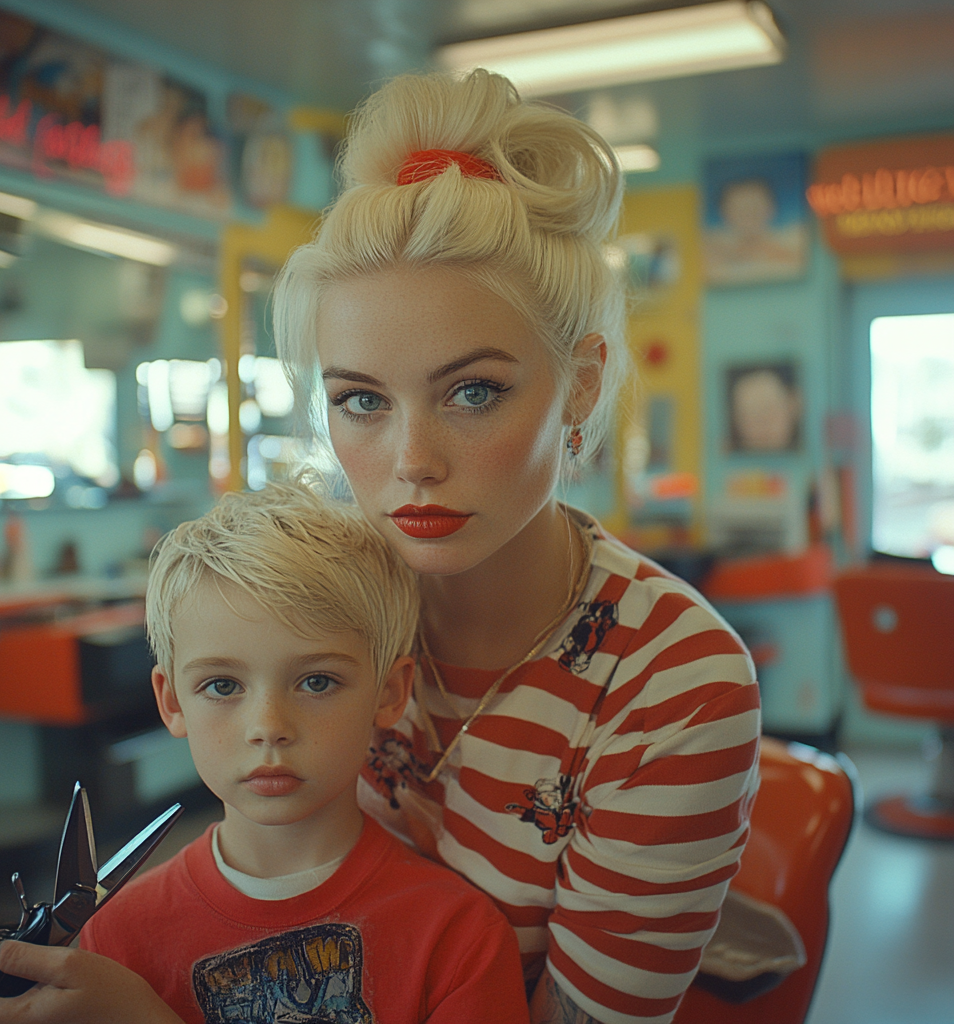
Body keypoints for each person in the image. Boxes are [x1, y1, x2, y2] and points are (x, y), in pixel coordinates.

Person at [271, 69, 761, 1024]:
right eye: (361, 400)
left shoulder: (674, 685)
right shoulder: (322, 609)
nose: (410, 461)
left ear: (579, 387)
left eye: (473, 392)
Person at [0, 482, 530, 1024]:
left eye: (317, 681)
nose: (267, 728)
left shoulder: (458, 942)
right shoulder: (111, 942)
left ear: (390, 692)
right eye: (222, 686)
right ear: (172, 702)